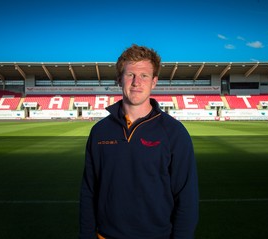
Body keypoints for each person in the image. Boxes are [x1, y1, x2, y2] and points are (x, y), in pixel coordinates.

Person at [79, 44, 199, 239]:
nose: (136, 82)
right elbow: (89, 191)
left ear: (154, 82)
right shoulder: (99, 132)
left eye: (144, 76)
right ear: (119, 79)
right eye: (130, 75)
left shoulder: (174, 133)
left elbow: (187, 198)